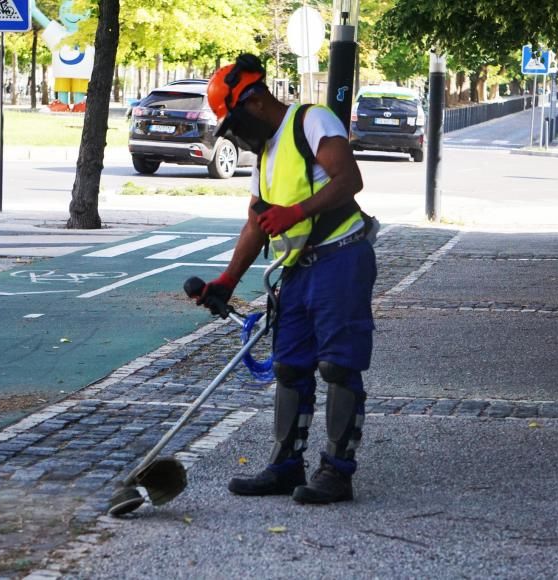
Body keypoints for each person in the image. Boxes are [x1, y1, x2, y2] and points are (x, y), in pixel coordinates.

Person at [196, 54, 377, 504]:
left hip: (341, 259)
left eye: (233, 122)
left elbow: (349, 179)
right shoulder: (264, 157)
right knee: (290, 367)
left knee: (338, 365)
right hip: (297, 272)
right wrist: (226, 282)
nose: (233, 135)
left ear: (255, 102)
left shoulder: (312, 122)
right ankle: (284, 465)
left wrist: (295, 212)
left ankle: (336, 471)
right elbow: (257, 222)